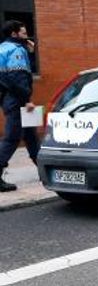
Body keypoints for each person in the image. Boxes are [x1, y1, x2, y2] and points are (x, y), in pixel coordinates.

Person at [0, 20, 40, 192]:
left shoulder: (3, 48)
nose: (27, 36)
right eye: (23, 33)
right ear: (14, 34)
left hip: (9, 98)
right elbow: (17, 78)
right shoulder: (16, 50)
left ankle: (45, 170)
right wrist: (26, 100)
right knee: (12, 138)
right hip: (18, 100)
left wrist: (30, 53)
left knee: (31, 136)